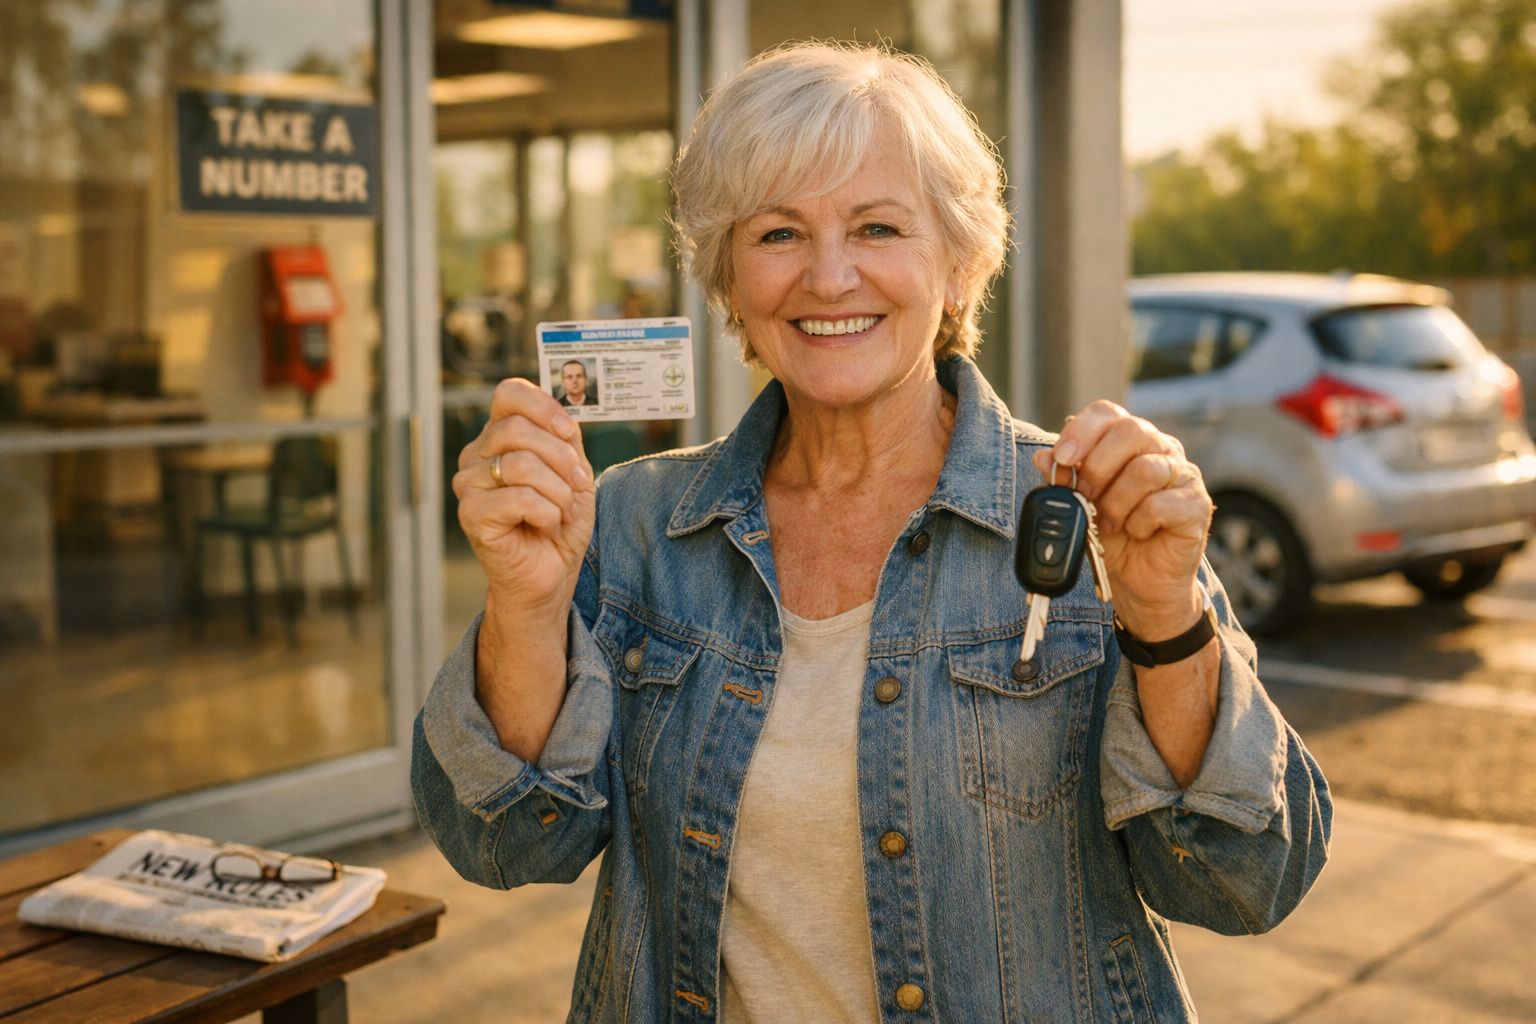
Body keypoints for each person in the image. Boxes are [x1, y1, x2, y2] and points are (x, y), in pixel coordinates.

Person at [413, 41, 1331, 1023]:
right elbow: (510, 844)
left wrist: (1163, 615)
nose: (829, 275)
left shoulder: (1086, 518)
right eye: (777, 235)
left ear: (960, 261)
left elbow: (1243, 879)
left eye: (878, 226)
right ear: (728, 275)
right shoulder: (633, 522)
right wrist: (524, 601)